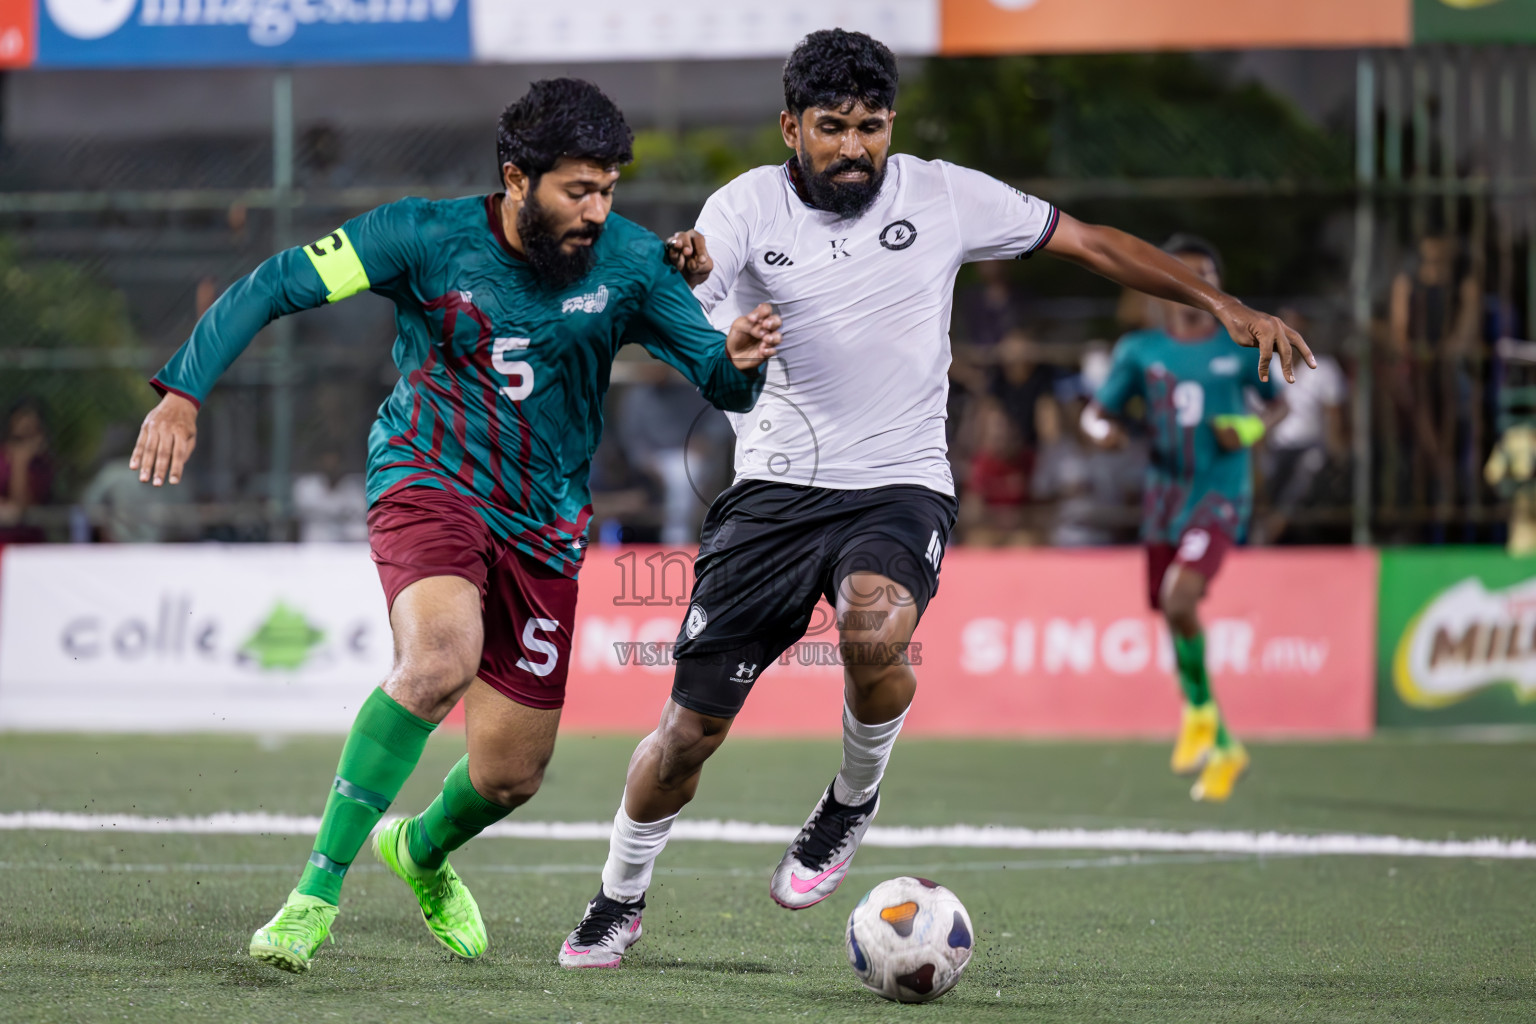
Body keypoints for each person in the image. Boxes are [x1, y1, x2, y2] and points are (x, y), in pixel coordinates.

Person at [558, 30, 1313, 968]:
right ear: (792, 127)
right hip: (773, 495)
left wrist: (1218, 303)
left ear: (891, 126)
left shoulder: (943, 192)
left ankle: (850, 800)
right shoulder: (745, 204)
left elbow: (1085, 240)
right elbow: (702, 280)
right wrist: (709, 299)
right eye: (831, 128)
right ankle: (618, 897)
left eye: (870, 127)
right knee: (687, 735)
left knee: (877, 626)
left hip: (901, 484)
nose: (852, 148)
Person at [129, 78, 781, 975]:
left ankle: (423, 851)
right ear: (517, 178)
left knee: (512, 775)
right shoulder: (421, 235)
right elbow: (276, 284)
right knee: (438, 660)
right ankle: (314, 892)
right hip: (428, 484)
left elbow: (721, 379)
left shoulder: (631, 263)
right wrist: (182, 390)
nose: (597, 210)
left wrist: (742, 359)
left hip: (546, 526)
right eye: (576, 191)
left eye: (608, 189)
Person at [1083, 235, 1289, 803]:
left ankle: (1198, 710)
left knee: (1179, 599)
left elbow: (1279, 407)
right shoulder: (1140, 351)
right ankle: (1221, 741)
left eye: (1204, 275)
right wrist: (1106, 435)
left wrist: (1245, 431)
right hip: (1163, 501)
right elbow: (1096, 416)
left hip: (1221, 496)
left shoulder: (1239, 348)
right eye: (1180, 274)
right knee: (1174, 614)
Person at [0, 399, 54, 544]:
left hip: (27, 545)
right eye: (21, 416)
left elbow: (22, 504)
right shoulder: (2, 457)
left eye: (30, 418)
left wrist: (20, 463)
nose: (25, 424)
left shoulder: (40, 464)